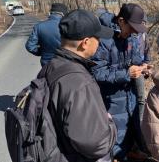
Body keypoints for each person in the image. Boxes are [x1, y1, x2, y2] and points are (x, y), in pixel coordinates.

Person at [37, 9, 117, 161]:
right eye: (98, 38)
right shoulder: (79, 82)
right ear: (85, 43)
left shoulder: (52, 66)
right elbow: (96, 145)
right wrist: (110, 124)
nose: (99, 43)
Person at [91, 3, 151, 161]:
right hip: (110, 98)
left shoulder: (132, 38)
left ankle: (127, 152)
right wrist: (126, 73)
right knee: (114, 132)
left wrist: (143, 67)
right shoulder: (104, 40)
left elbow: (136, 59)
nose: (134, 32)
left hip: (129, 94)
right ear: (121, 21)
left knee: (131, 127)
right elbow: (96, 72)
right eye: (132, 28)